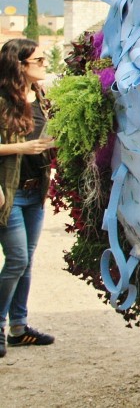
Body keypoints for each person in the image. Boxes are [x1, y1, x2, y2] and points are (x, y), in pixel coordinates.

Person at [0, 38, 57, 358]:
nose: (44, 64)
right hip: (10, 193)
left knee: (25, 262)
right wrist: (22, 148)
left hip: (36, 191)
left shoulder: (40, 96)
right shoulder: (2, 101)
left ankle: (19, 328)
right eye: (38, 60)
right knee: (18, 259)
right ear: (19, 65)